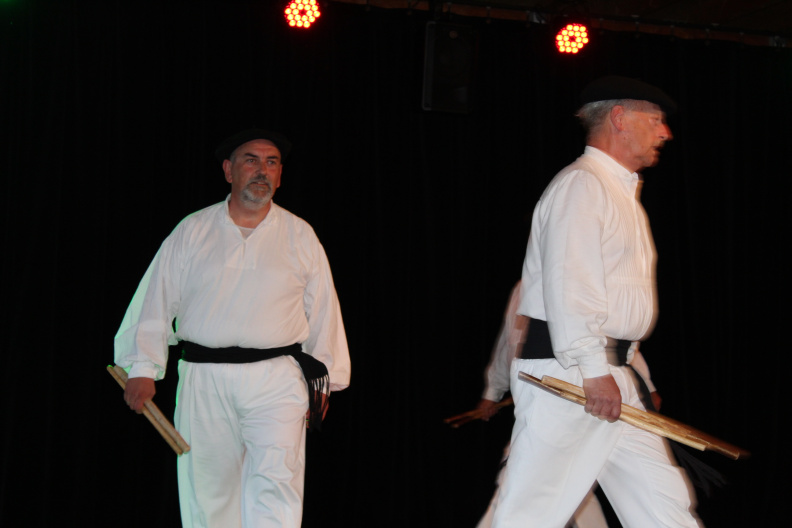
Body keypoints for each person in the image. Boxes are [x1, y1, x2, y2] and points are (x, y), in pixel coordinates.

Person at [491, 77, 701, 528]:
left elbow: (618, 308)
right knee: (531, 513)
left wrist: (621, 371)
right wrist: (593, 370)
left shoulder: (618, 192)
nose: (665, 132)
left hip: (606, 374)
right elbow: (572, 285)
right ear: (619, 118)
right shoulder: (582, 186)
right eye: (656, 119)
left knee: (664, 507)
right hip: (572, 374)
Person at [114, 129, 351, 528]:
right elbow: (156, 297)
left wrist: (325, 379)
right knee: (209, 490)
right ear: (228, 170)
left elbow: (324, 308)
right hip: (204, 377)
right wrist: (141, 367)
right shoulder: (193, 230)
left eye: (271, 162)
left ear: (280, 176)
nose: (262, 170)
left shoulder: (300, 235)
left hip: (277, 379)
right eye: (250, 160)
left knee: (276, 485)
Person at [476, 281, 661, 528]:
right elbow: (508, 342)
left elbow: (612, 341)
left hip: (583, 393)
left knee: (539, 488)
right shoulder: (522, 288)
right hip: (541, 399)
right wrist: (492, 392)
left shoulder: (577, 276)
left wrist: (646, 386)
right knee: (540, 488)